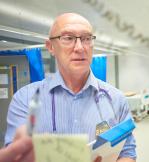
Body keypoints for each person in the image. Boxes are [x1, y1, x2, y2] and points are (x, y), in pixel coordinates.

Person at [4, 13, 136, 162]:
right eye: (68, 38)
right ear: (51, 47)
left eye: (86, 38)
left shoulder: (116, 99)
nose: (79, 47)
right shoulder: (25, 99)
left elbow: (127, 152)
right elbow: (15, 156)